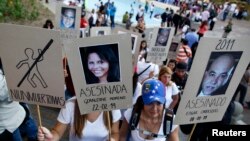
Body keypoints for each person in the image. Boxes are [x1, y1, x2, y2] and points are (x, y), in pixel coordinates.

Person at [37, 97, 121, 141]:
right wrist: (51, 137)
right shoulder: (70, 105)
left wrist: (113, 139)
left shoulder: (113, 107)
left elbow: (115, 132)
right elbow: (57, 132)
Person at [0, 59, 38, 141]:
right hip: (7, 124)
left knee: (31, 126)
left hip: (17, 112)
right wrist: (20, 72)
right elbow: (5, 93)